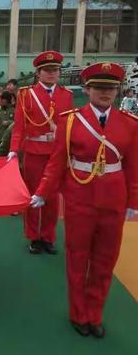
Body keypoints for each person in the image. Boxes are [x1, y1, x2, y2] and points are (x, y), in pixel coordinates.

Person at [31, 62, 138, 339]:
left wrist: (134, 202)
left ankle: (95, 314)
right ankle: (78, 313)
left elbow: (133, 168)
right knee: (77, 259)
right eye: (100, 88)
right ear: (87, 89)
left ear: (118, 91)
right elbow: (57, 163)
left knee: (105, 261)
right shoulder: (70, 121)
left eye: (111, 88)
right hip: (80, 199)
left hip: (114, 201)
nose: (106, 93)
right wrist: (42, 192)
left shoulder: (129, 123)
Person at [8, 51, 74, 255]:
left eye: (55, 70)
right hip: (35, 152)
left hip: (56, 153)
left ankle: (48, 237)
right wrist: (13, 150)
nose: (51, 74)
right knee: (34, 195)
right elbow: (19, 126)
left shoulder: (67, 95)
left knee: (53, 198)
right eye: (47, 70)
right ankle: (33, 237)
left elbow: (69, 127)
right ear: (38, 72)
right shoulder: (26, 94)